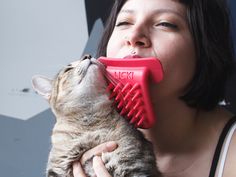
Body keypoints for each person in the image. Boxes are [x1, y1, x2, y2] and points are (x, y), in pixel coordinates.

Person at [73, 0, 236, 176]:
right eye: (124, 23)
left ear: (204, 48)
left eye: (164, 24)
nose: (134, 36)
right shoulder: (82, 146)